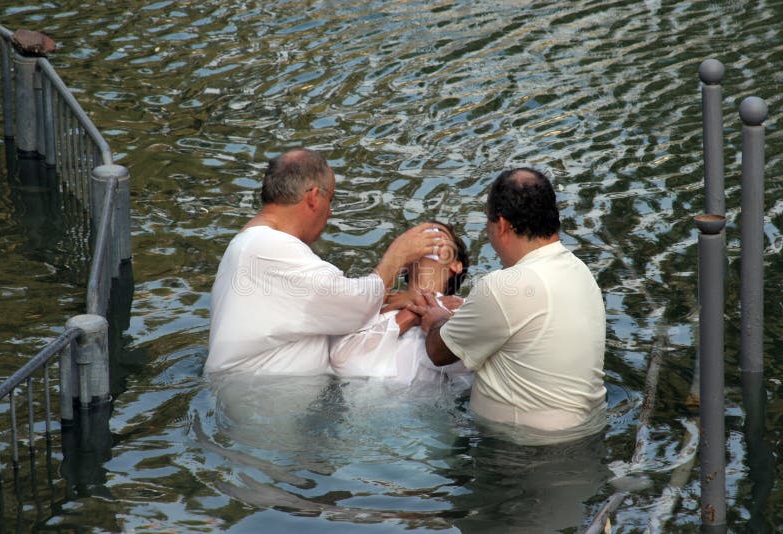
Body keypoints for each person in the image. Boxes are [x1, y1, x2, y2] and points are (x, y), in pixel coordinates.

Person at [205, 148, 450, 376]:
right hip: (258, 402)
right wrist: (396, 258)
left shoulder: (252, 245)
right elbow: (354, 307)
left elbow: (330, 303)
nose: (330, 212)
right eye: (330, 199)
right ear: (313, 197)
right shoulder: (268, 248)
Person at [410, 168, 607, 439]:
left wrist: (437, 319)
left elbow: (439, 352)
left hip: (521, 452)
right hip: (586, 434)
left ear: (501, 225)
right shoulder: (581, 273)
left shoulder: (506, 286)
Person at [329, 222, 471, 387]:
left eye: (439, 233)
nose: (430, 236)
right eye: (420, 236)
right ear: (405, 265)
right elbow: (343, 362)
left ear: (456, 265)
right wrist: (409, 315)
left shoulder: (465, 310)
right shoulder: (373, 308)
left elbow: (469, 370)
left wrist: (436, 311)